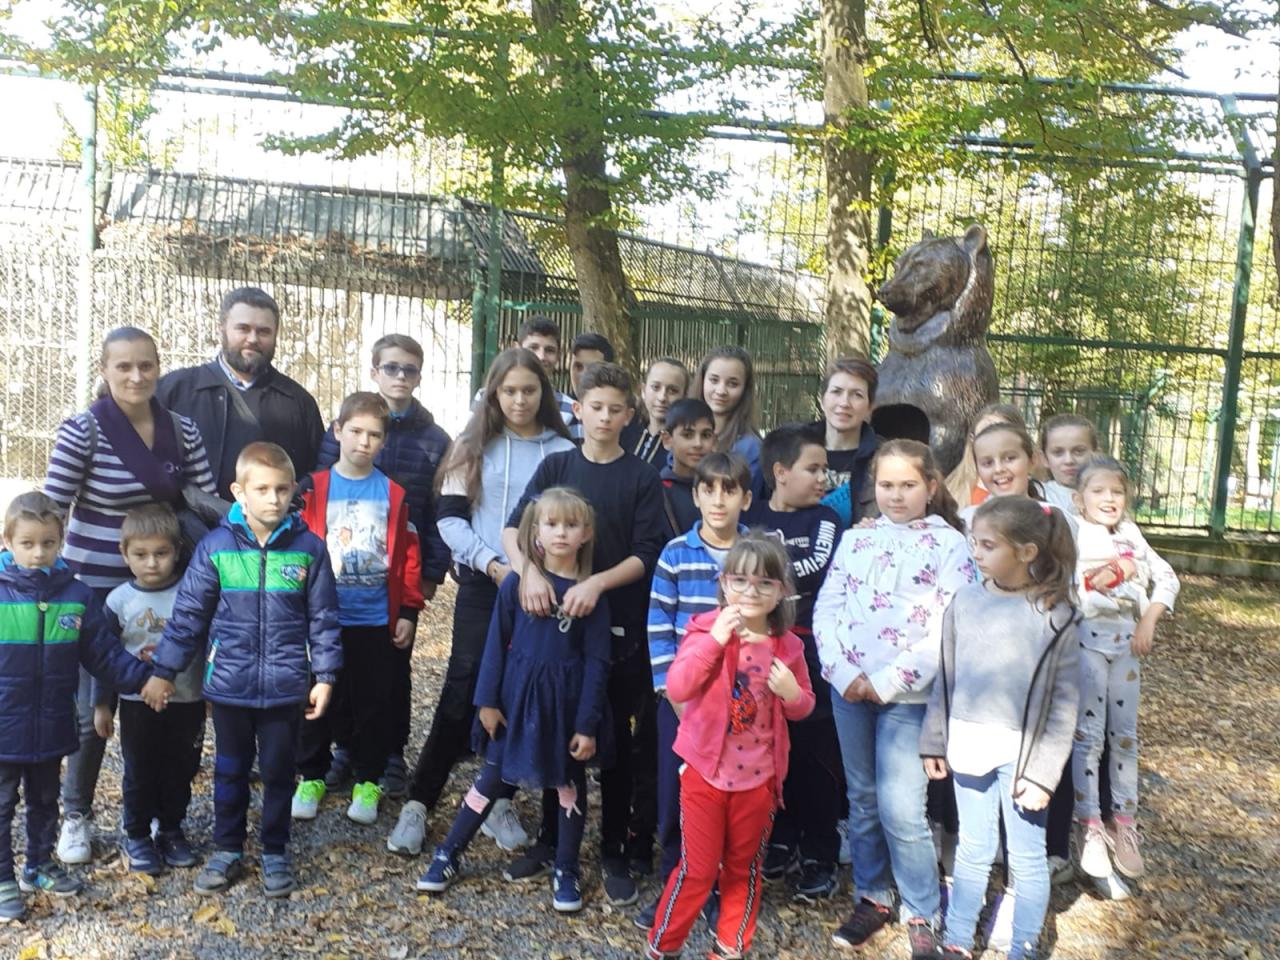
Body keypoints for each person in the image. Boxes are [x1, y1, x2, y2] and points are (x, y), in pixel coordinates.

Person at [388, 348, 574, 858]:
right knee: (463, 686)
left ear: (543, 393)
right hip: (483, 582)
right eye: (509, 390)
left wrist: (536, 573)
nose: (519, 400)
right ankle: (420, 801)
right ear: (493, 394)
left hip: (540, 589)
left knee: (516, 691)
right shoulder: (471, 446)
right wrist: (493, 564)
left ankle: (498, 800)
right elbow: (450, 519)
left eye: (529, 390)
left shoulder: (562, 449)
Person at [43, 325, 216, 865]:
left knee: (169, 704)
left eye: (146, 365)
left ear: (159, 367)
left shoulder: (182, 430)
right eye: (123, 366)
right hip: (96, 590)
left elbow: (205, 501)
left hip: (165, 587)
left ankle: (162, 817)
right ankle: (76, 815)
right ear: (104, 370)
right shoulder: (84, 431)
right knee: (90, 712)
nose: (136, 376)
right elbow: (52, 509)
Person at [141, 442, 342, 898]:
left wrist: (326, 676)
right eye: (262, 489)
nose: (274, 499)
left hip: (285, 686)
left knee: (278, 772)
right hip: (230, 686)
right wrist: (164, 670)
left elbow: (324, 619)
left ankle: (275, 850)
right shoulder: (215, 548)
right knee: (229, 771)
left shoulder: (309, 550)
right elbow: (188, 616)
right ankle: (228, 848)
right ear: (239, 492)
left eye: (282, 490)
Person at [502, 361, 666, 906]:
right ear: (578, 409)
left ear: (629, 415)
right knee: (558, 732)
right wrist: (527, 573)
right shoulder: (557, 464)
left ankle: (614, 850)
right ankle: (551, 841)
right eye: (595, 407)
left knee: (611, 740)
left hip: (615, 628)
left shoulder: (641, 477)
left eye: (615, 409)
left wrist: (595, 583)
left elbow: (646, 554)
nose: (604, 417)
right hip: (554, 630)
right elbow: (513, 529)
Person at [812, 439, 976, 959]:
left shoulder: (950, 545)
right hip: (849, 689)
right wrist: (842, 672)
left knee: (902, 808)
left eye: (908, 485)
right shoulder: (857, 539)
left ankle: (922, 908)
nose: (896, 495)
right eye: (886, 485)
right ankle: (873, 895)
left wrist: (885, 681)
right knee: (862, 798)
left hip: (909, 696)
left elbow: (947, 626)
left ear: (931, 486)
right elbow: (828, 607)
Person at [416, 488, 611, 913]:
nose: (561, 533)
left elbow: (598, 664)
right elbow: (494, 646)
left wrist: (586, 724)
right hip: (515, 705)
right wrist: (487, 701)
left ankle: (565, 868)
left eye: (571, 525)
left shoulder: (590, 598)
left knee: (568, 784)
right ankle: (448, 853)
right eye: (552, 524)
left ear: (586, 533)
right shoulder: (517, 587)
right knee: (490, 780)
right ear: (536, 532)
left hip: (564, 712)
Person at [921, 497, 1082, 960]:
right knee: (972, 848)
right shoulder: (965, 601)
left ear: (1027, 552)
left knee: (1026, 858)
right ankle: (956, 939)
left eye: (988, 545)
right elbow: (946, 676)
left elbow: (1064, 705)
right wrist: (934, 739)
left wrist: (1043, 775)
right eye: (975, 542)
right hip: (968, 744)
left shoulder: (1056, 614)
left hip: (1024, 758)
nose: (976, 553)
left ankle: (1023, 947)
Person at [644, 535, 815, 960]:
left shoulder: (788, 646)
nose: (750, 592)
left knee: (743, 870)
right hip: (705, 777)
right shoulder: (705, 630)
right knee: (698, 870)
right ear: (723, 584)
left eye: (764, 583)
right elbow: (678, 686)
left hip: (758, 783)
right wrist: (714, 641)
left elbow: (803, 707)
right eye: (740, 581)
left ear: (781, 591)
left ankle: (729, 948)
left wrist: (792, 693)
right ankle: (663, 946)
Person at [0, 492, 153, 920]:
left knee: (45, 800)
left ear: (61, 541)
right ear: (7, 542)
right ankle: (3, 878)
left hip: (51, 724)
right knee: (2, 804)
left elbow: (104, 655)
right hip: (4, 727)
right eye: (27, 543)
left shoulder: (77, 596)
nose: (38, 553)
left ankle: (38, 865)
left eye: (48, 543)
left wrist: (146, 679)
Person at [315, 334, 450, 797]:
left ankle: (390, 753)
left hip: (393, 581)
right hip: (338, 586)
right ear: (375, 370)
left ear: (419, 376)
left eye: (409, 369)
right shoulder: (343, 431)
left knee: (391, 674)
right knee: (339, 671)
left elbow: (435, 510)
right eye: (391, 367)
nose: (400, 376)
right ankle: (344, 750)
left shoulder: (435, 440)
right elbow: (318, 501)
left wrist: (429, 574)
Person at [294, 393, 425, 827]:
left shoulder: (393, 493)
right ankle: (311, 775)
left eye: (373, 435)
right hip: (323, 619)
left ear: (384, 441)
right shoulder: (313, 489)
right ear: (337, 431)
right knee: (317, 698)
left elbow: (409, 555)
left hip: (374, 618)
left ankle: (368, 780)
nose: (363, 442)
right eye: (355, 431)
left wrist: (408, 610)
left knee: (373, 702)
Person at [638, 451, 752, 928]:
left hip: (742, 704)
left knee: (732, 797)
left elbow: (774, 622)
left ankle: (721, 888)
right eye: (709, 490)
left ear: (747, 499)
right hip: (683, 702)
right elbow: (658, 625)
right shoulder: (675, 554)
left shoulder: (759, 553)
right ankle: (677, 885)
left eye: (730, 490)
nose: (719, 500)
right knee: (677, 795)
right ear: (696, 496)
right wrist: (672, 691)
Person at [1070, 455, 1178, 882]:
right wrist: (1097, 582)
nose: (1109, 498)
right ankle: (1089, 824)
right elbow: (1064, 584)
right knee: (1089, 735)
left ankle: (1125, 822)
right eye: (1098, 491)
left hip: (1126, 648)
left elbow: (1167, 578)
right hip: (1087, 646)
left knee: (1125, 736)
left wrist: (1148, 620)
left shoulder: (1132, 534)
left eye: (1117, 491)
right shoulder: (1073, 532)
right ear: (1080, 498)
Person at [746, 426, 843, 902]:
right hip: (756, 652)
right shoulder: (752, 516)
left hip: (809, 654)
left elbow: (817, 565)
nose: (823, 478)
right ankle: (780, 838)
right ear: (781, 472)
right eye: (813, 469)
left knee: (814, 754)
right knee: (769, 748)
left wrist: (765, 574)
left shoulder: (825, 519)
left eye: (825, 469)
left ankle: (821, 852)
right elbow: (739, 566)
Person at [92, 504, 204, 876]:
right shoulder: (118, 601)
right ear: (125, 554)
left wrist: (212, 693)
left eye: (161, 553)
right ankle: (137, 834)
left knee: (181, 767)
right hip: (136, 703)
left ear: (177, 551)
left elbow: (207, 643)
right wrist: (102, 705)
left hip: (187, 699)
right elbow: (105, 657)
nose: (152, 563)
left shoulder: (191, 593)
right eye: (141, 554)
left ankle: (171, 829)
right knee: (140, 768)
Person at [156, 286, 326, 499]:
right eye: (243, 329)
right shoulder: (174, 390)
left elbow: (314, 476)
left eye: (263, 331)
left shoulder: (298, 402)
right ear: (221, 329)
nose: (253, 339)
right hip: (187, 519)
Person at [473, 316, 575, 432]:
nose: (541, 356)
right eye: (533, 348)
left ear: (559, 355)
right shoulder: (486, 398)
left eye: (549, 350)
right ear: (516, 348)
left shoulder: (570, 409)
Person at [815, 358, 880, 528]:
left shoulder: (886, 458)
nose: (844, 403)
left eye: (857, 395)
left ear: (870, 407)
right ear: (822, 399)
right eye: (836, 392)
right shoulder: (792, 447)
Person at [694, 346, 763, 493]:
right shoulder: (682, 434)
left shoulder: (750, 448)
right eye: (714, 380)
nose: (721, 391)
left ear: (745, 389)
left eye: (733, 384)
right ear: (702, 380)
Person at [945, 402, 1030, 507]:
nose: (991, 441)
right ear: (972, 440)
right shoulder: (953, 494)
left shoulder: (1044, 501)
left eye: (1001, 431)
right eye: (983, 434)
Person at [657, 399, 717, 540]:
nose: (698, 444)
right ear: (667, 440)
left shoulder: (721, 488)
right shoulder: (657, 490)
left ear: (715, 441)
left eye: (706, 435)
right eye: (688, 435)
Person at [622, 357, 691, 467]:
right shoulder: (624, 431)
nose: (662, 397)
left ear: (685, 397)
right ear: (643, 390)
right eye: (655, 387)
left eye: (672, 391)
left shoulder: (686, 446)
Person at [1039, 413, 1099, 515]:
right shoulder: (1037, 495)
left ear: (1096, 455)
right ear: (1044, 458)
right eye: (1058, 452)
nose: (1069, 460)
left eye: (1079, 451)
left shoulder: (1109, 496)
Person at [565, 332, 616, 442]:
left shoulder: (621, 416)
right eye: (578, 367)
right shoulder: (558, 412)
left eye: (593, 368)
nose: (584, 375)